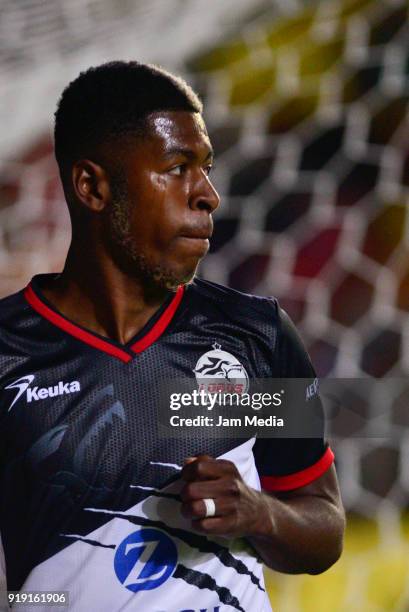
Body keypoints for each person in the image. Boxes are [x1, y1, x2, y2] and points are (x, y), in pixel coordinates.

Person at [0, 61, 345, 612]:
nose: (207, 194)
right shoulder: (9, 355)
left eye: (205, 167)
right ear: (92, 186)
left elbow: (323, 524)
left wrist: (260, 513)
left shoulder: (254, 335)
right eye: (177, 167)